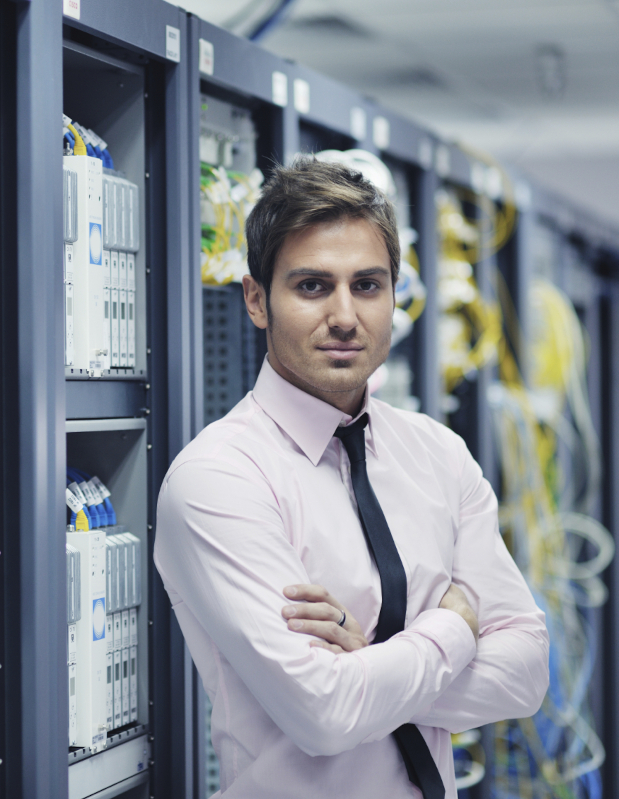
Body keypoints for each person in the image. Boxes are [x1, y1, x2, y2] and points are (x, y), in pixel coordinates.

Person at [153, 159, 549, 798]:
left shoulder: (438, 455)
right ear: (257, 299)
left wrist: (371, 657)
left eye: (367, 285)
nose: (344, 316)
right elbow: (325, 714)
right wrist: (452, 626)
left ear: (395, 293)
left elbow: (526, 675)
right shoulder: (219, 479)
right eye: (312, 287)